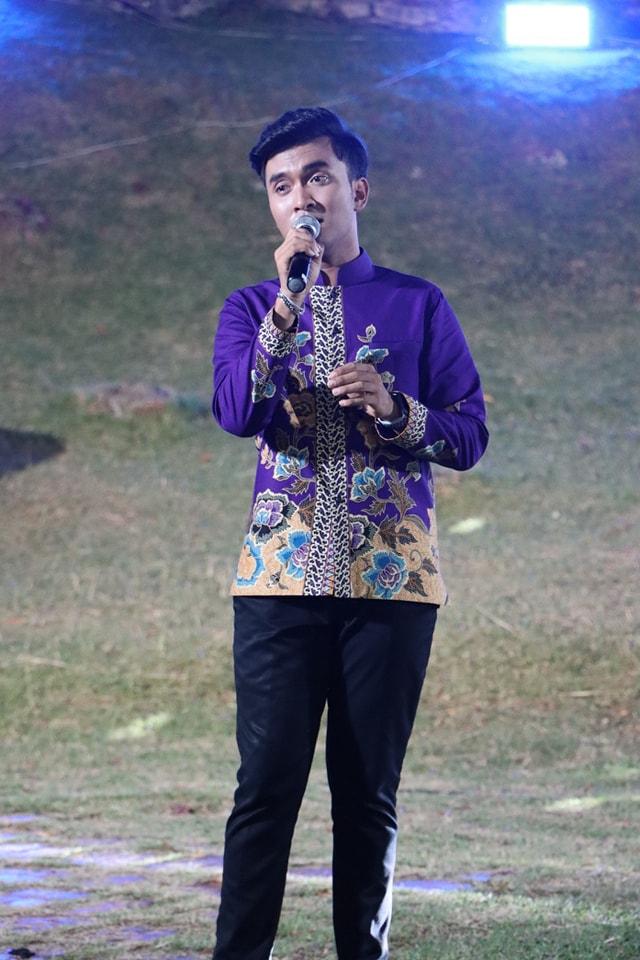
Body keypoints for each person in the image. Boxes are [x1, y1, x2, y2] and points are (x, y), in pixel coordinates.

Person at [211, 106, 488, 960]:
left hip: (391, 588)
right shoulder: (250, 306)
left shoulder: (418, 304)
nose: (301, 197)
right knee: (265, 792)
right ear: (271, 205)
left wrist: (398, 410)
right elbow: (236, 409)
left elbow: (470, 433)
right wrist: (286, 307)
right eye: (281, 185)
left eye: (317, 176)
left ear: (355, 190)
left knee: (367, 797)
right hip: (279, 585)